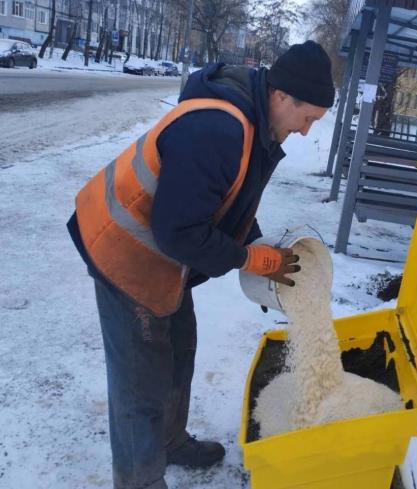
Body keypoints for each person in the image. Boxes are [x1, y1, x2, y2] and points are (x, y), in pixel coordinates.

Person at [66, 40, 335, 489]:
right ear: (283, 96)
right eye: (308, 118)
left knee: (180, 351)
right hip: (124, 250)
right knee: (141, 384)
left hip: (162, 257)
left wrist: (255, 242)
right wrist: (247, 257)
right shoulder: (219, 129)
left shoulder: (257, 124)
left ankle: (170, 442)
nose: (307, 131)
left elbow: (221, 201)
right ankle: (139, 481)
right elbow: (178, 231)